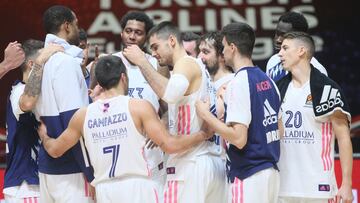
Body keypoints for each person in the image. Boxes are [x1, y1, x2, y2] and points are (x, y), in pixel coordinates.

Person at [37, 55, 212, 203]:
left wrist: (44, 136)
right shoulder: (139, 107)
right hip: (138, 188)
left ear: (98, 82)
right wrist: (202, 134)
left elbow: (55, 150)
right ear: (123, 77)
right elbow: (170, 145)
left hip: (105, 191)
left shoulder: (82, 115)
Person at [123, 21, 226, 203]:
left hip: (191, 162)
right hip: (208, 160)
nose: (153, 54)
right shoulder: (193, 67)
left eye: (156, 47)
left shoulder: (185, 64)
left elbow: (170, 94)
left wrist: (142, 62)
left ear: (171, 40)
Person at [196, 22, 283, 203]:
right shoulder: (268, 80)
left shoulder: (239, 82)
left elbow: (238, 139)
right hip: (271, 174)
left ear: (232, 48)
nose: (223, 51)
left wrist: (206, 115)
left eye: (225, 46)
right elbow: (280, 129)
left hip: (249, 175)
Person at [26, 5, 94, 203]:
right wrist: (90, 173)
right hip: (71, 170)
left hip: (47, 170)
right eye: (75, 24)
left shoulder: (40, 63)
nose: (76, 28)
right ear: (66, 26)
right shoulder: (65, 62)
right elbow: (73, 121)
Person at [276, 31, 353, 203]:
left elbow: (343, 138)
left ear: (301, 51)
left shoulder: (327, 89)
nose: (280, 53)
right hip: (283, 187)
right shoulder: (277, 88)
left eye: (285, 48)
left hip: (319, 188)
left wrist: (346, 183)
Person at [113, 10, 170, 199]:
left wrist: (162, 124)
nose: (132, 36)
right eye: (128, 31)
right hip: (119, 149)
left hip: (151, 152)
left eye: (138, 32)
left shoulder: (157, 63)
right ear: (121, 33)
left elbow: (168, 106)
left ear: (146, 37)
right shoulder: (110, 62)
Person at [4, 39, 63, 203]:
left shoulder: (40, 93)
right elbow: (28, 103)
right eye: (45, 61)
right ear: (32, 64)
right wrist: (41, 61)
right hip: (26, 186)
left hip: (39, 183)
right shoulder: (19, 91)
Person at [198, 31, 234, 157]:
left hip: (224, 160)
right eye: (200, 51)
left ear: (222, 56)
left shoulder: (232, 83)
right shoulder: (202, 82)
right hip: (204, 160)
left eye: (206, 52)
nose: (200, 57)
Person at [266, 11, 327, 82]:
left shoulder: (317, 71)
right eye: (277, 33)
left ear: (301, 37)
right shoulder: (273, 61)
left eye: (284, 35)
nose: (278, 40)